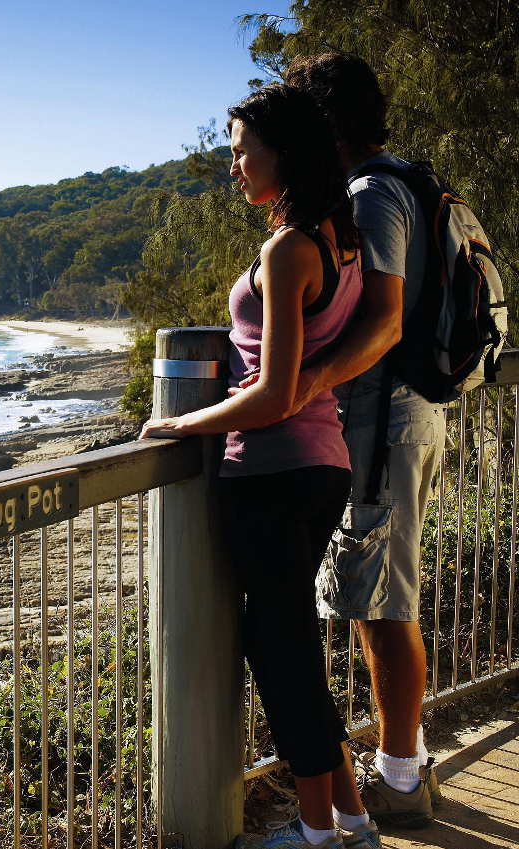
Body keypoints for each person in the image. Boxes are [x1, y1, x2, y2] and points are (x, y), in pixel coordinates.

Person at [140, 83, 378, 849]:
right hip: (320, 464)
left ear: (286, 152)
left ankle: (315, 832)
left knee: (282, 654)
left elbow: (272, 391)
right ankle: (351, 817)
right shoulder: (341, 241)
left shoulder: (287, 249)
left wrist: (182, 419)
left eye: (244, 149)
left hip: (273, 471)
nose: (234, 164)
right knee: (291, 647)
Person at [264, 53, 440, 828]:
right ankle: (404, 763)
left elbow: (387, 320)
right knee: (381, 598)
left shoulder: (370, 195)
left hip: (381, 423)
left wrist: (304, 383)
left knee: (384, 604)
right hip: (396, 420)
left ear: (321, 122)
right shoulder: (401, 179)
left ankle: (400, 780)